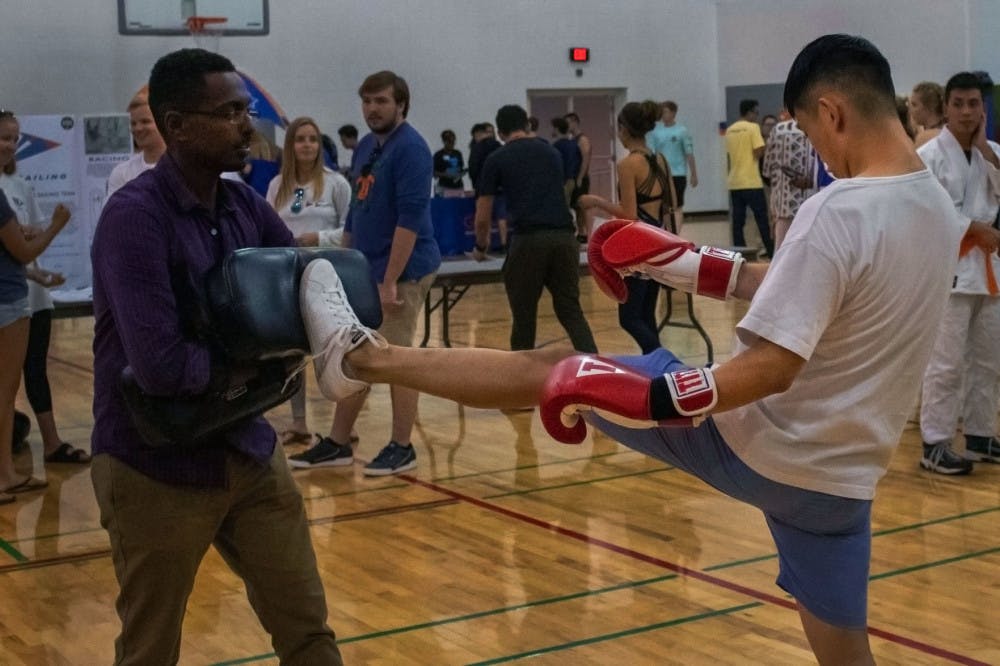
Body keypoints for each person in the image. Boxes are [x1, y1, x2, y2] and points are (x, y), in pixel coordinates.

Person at [295, 34, 987, 665]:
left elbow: (775, 366)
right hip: (841, 486)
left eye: (808, 132)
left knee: (553, 367)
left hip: (760, 447)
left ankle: (359, 359)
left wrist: (649, 394)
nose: (816, 154)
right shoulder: (935, 207)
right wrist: (675, 261)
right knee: (847, 657)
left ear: (831, 113)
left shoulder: (838, 210)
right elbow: (797, 284)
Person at [89, 48, 343, 664]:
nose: (246, 126)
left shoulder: (244, 205)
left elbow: (308, 292)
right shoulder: (133, 219)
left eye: (246, 110)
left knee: (309, 633)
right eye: (229, 112)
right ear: (176, 125)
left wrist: (298, 340)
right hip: (154, 464)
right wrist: (262, 361)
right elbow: (163, 369)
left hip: (247, 450)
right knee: (150, 651)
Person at [290, 70, 440, 477]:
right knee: (355, 356)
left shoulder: (408, 151)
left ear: (401, 104)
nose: (372, 109)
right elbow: (357, 212)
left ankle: (401, 445)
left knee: (394, 359)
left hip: (401, 271)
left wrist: (390, 279)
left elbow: (408, 219)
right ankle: (337, 441)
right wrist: (348, 269)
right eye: (367, 102)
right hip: (360, 268)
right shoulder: (364, 151)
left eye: (381, 102)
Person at [917, 71, 1000, 474]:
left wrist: (985, 148)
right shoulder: (929, 157)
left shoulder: (992, 153)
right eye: (958, 104)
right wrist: (974, 228)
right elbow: (926, 212)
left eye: (973, 104)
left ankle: (982, 434)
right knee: (945, 362)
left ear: (983, 109)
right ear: (946, 108)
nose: (966, 112)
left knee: (989, 360)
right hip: (949, 267)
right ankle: (935, 442)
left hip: (988, 269)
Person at [0, 111, 89, 466]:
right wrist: (53, 226)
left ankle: (48, 444)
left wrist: (40, 275)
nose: (9, 144)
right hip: (8, 299)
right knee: (6, 389)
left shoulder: (19, 185)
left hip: (25, 295)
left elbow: (24, 243)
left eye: (14, 138)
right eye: (4, 136)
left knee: (32, 371)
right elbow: (22, 244)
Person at [472, 104, 597, 355]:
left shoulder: (497, 158)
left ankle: (520, 383)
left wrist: (481, 246)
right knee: (571, 311)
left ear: (499, 132)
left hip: (529, 239)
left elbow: (483, 215)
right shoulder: (551, 152)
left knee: (524, 316)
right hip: (564, 237)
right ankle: (597, 371)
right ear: (527, 125)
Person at [266, 116, 352, 447]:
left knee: (333, 350)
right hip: (286, 278)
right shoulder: (277, 186)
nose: (307, 145)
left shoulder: (336, 185)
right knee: (293, 352)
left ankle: (343, 424)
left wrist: (318, 237)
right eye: (300, 139)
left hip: (327, 278)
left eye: (313, 139)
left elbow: (350, 231)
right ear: (290, 146)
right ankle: (299, 422)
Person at [577, 100, 677, 353]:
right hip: (660, 240)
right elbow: (672, 203)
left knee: (629, 317)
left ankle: (665, 360)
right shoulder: (661, 160)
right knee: (646, 315)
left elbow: (630, 214)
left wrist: (597, 201)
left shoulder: (628, 164)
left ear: (623, 129)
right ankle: (658, 368)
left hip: (639, 245)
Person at [725, 99, 774, 257]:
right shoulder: (753, 128)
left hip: (734, 182)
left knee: (738, 223)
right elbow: (758, 152)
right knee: (762, 221)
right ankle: (772, 252)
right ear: (750, 112)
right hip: (752, 181)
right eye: (756, 112)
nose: (757, 115)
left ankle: (740, 254)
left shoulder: (730, 130)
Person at [761, 113, 817, 250]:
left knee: (781, 247)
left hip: (783, 203)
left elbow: (767, 169)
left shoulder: (778, 130)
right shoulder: (812, 129)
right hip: (809, 201)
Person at [645, 100, 698, 233]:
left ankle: (676, 234)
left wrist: (694, 173)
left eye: (666, 111)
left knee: (677, 205)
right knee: (663, 205)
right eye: (662, 112)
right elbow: (651, 152)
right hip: (661, 173)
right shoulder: (655, 132)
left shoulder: (682, 131)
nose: (664, 115)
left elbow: (689, 153)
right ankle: (665, 232)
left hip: (678, 173)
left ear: (674, 113)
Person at [106, 92, 166, 198]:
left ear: (162, 122)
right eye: (133, 123)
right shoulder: (121, 173)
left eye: (145, 122)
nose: (137, 128)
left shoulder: (183, 168)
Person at [565, 111, 592, 242]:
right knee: (576, 206)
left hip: (581, 177)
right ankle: (581, 232)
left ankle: (587, 233)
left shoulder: (582, 139)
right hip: (574, 176)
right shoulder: (572, 140)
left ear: (574, 122)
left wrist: (580, 177)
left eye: (568, 123)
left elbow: (585, 159)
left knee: (582, 206)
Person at [550, 116, 581, 207]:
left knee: (560, 208)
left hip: (562, 182)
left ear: (556, 129)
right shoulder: (573, 144)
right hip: (571, 180)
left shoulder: (556, 146)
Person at [909, 81, 945, 148]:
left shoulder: (925, 137)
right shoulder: (947, 132)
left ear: (929, 107)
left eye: (914, 105)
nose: (911, 110)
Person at [432, 129, 465, 195]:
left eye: (453, 142)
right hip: (443, 186)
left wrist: (461, 173)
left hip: (458, 186)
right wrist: (446, 175)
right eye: (449, 142)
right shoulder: (438, 155)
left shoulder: (458, 153)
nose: (452, 144)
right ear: (444, 141)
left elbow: (461, 167)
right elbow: (433, 172)